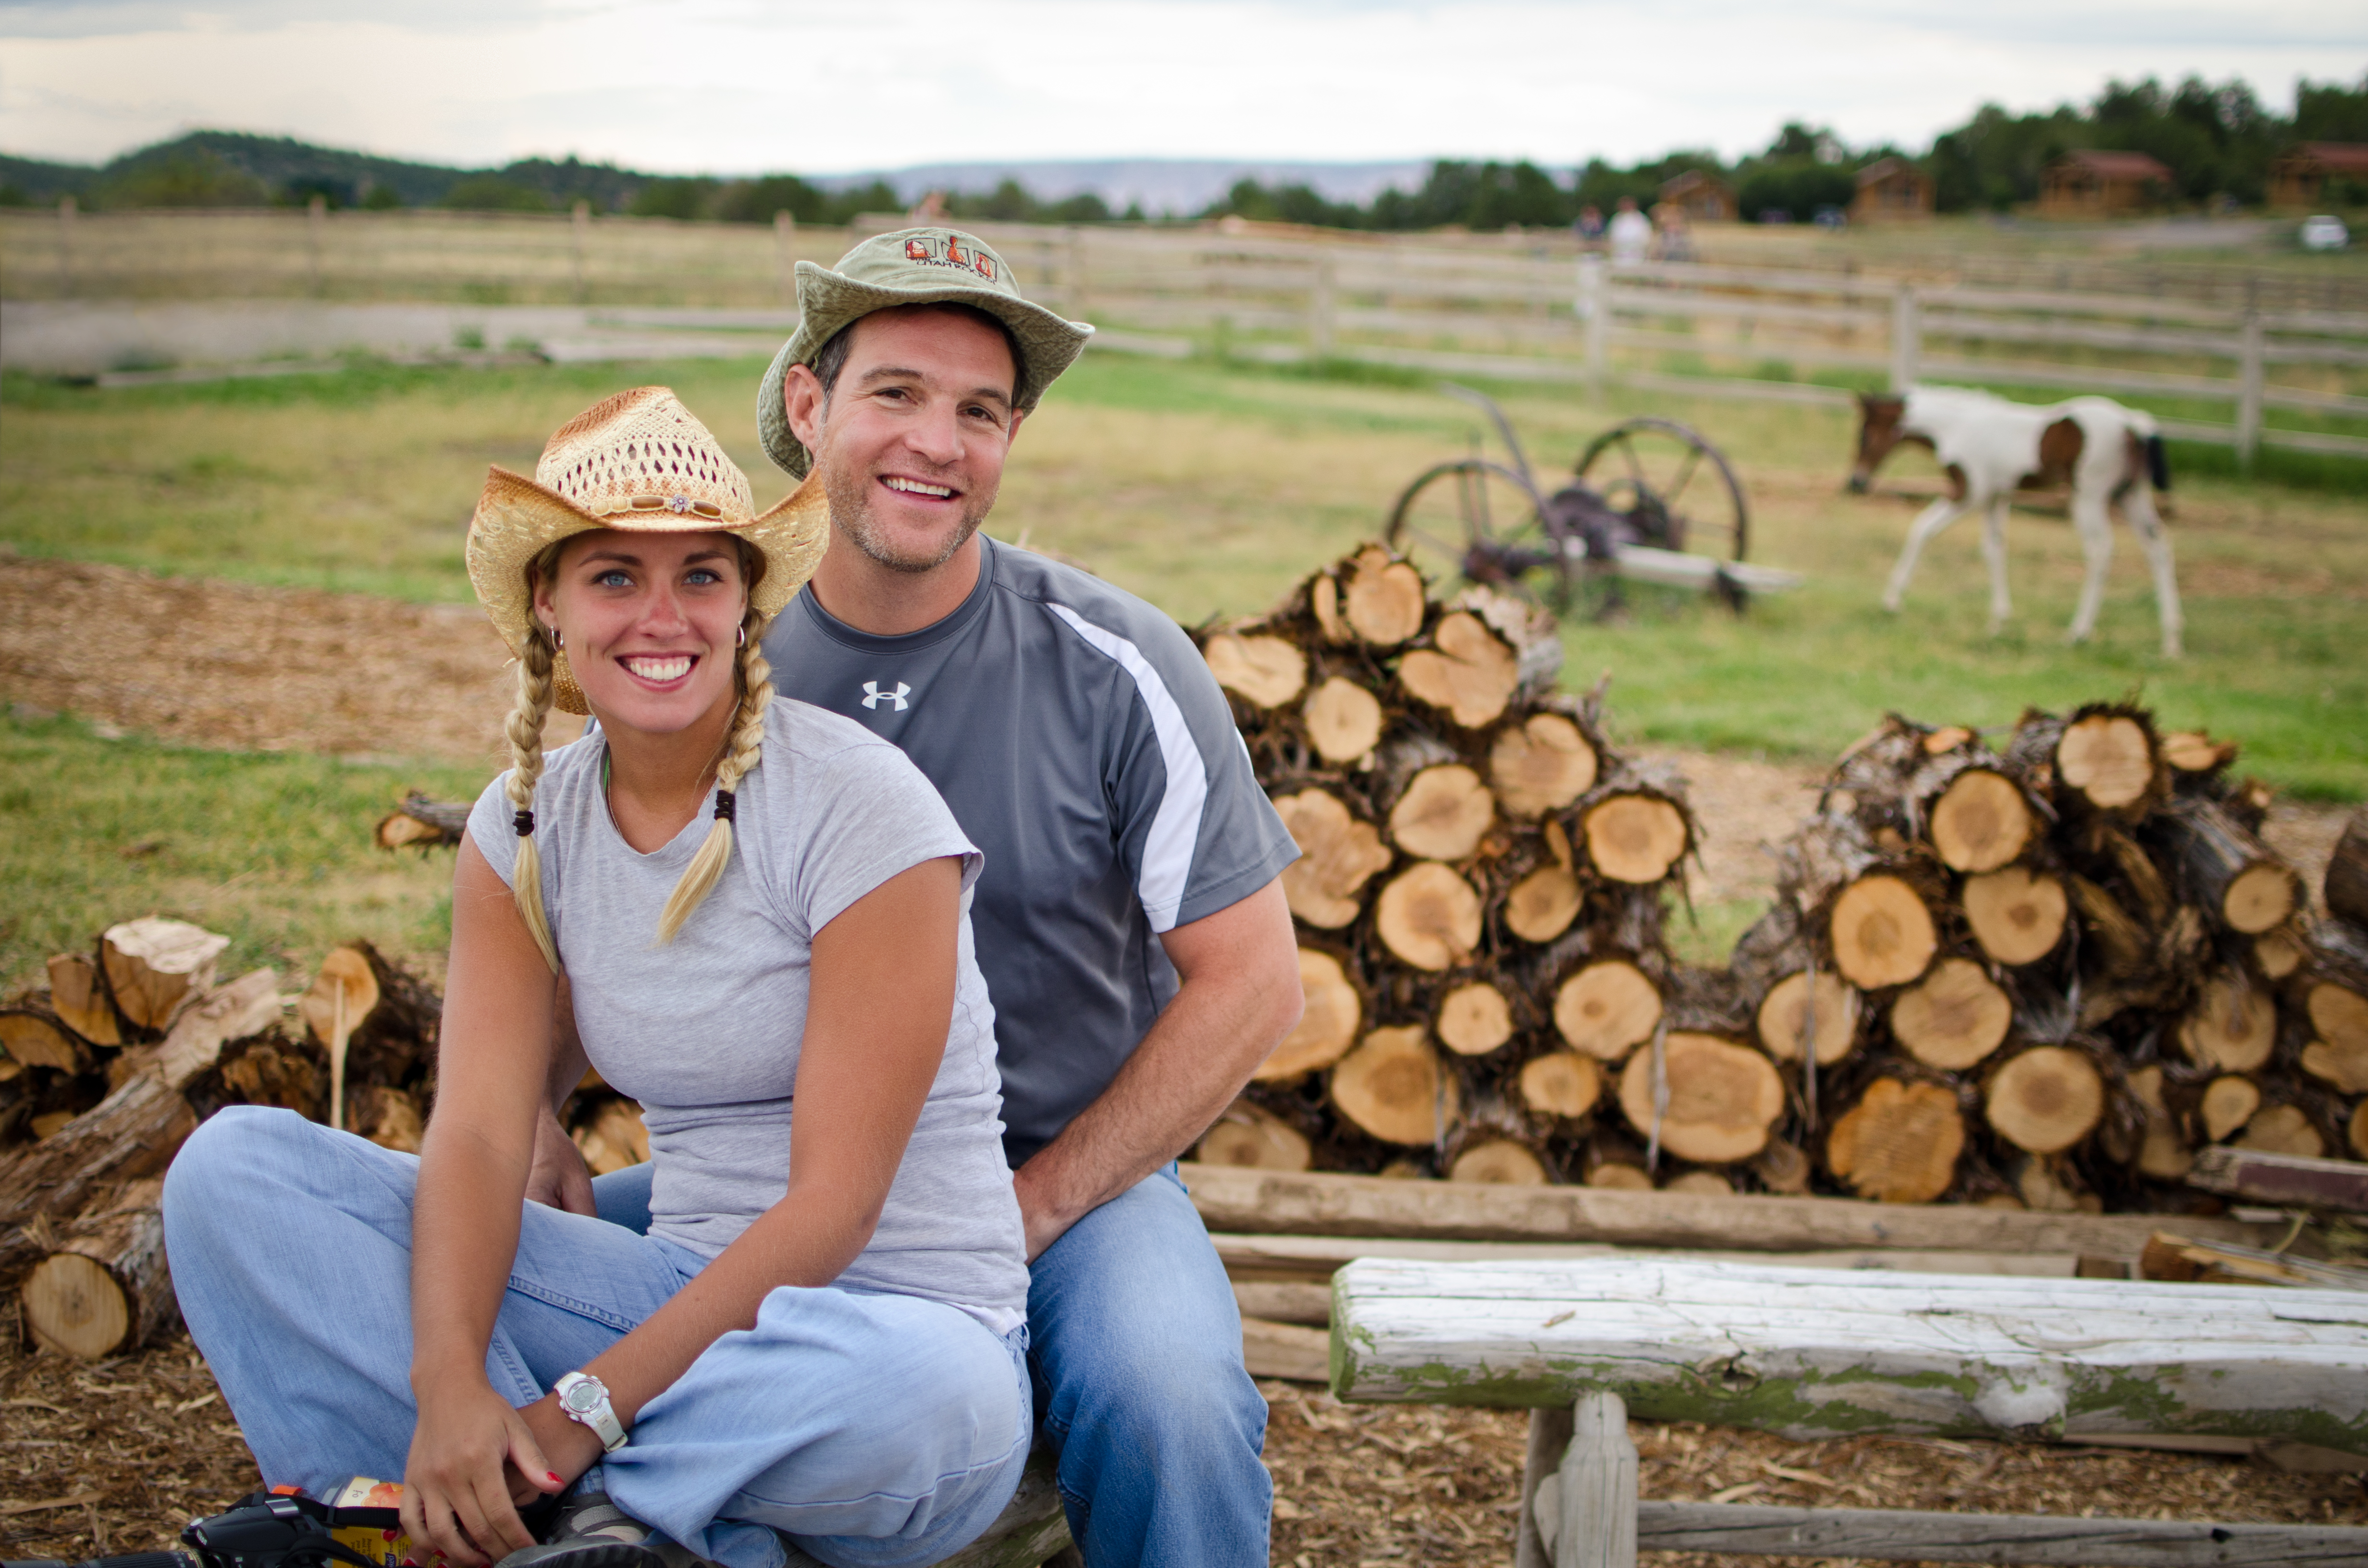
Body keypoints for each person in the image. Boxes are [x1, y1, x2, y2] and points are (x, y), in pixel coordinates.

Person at [530, 228, 1307, 1567]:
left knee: (1169, 1400)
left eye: (980, 411)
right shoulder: (708, 650)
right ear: (809, 406)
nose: (937, 443)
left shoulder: (1117, 663)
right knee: (451, 1261)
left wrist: (1046, 1203)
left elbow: (1256, 980)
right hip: (758, 1190)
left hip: (1053, 1182)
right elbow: (577, 900)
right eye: (896, 393)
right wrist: (532, 1112)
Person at [164, 387, 1038, 1568]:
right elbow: (475, 1136)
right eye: (615, 576)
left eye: (700, 577)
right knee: (235, 1174)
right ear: (549, 601)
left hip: (874, 1338)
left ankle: (422, 1522)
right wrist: (453, 1381)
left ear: (745, 603)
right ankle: (587, 1527)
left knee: (942, 1395)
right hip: (665, 1291)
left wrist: (581, 1412)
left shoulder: (863, 810)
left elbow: (836, 1208)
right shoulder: (524, 826)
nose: (660, 616)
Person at [1606, 196, 1653, 265]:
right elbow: (1611, 237)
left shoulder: (1641, 219)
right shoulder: (1616, 219)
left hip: (1637, 253)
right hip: (1619, 254)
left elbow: (1647, 237)